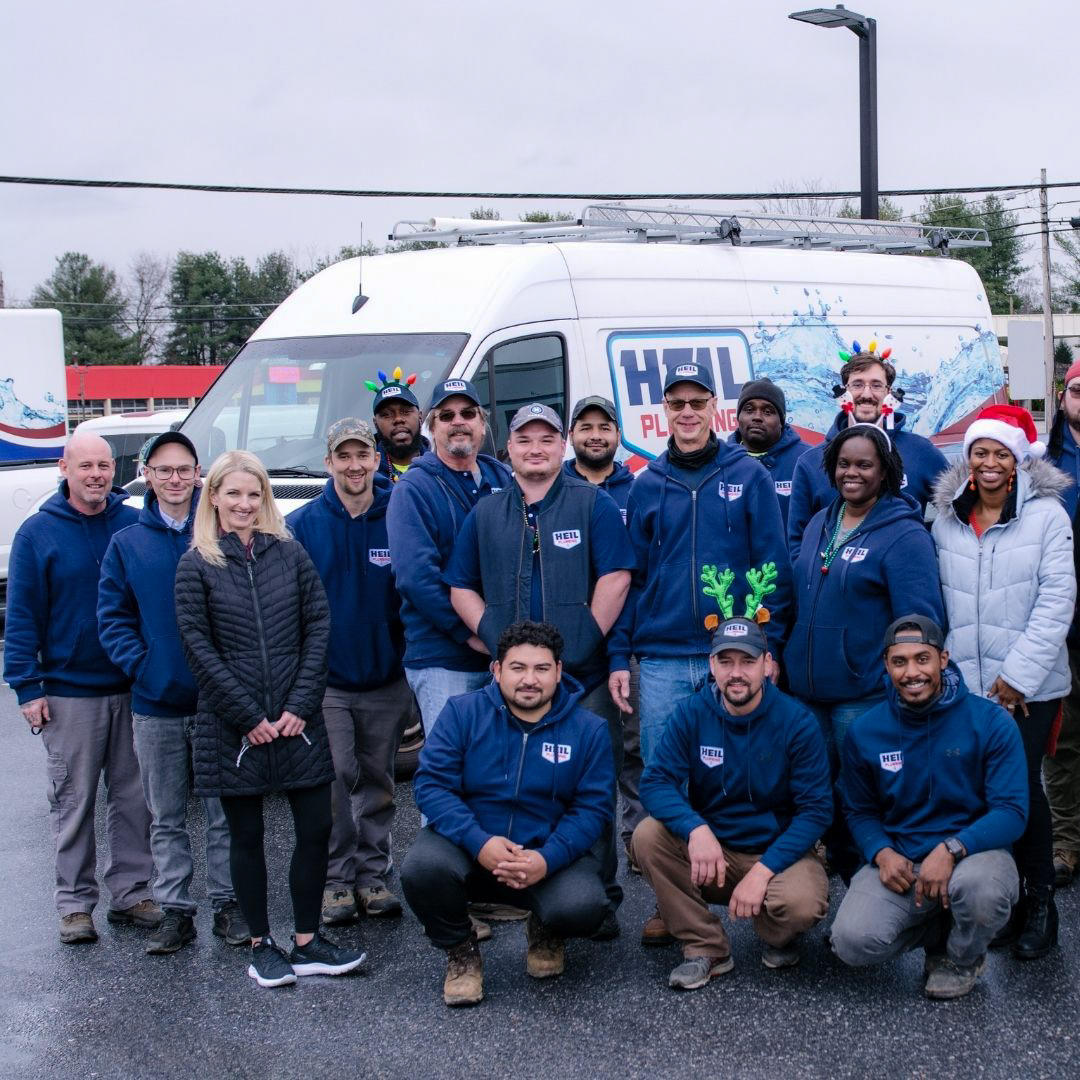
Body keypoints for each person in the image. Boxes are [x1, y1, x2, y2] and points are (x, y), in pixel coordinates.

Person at [174, 450, 364, 988]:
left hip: (297, 722)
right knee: (247, 836)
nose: (244, 503)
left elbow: (317, 630)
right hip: (234, 727)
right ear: (213, 498)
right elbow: (197, 647)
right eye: (233, 493)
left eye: (253, 494)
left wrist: (299, 708)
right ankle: (262, 946)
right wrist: (248, 716)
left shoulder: (290, 554)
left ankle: (307, 941)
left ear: (265, 499)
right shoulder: (197, 564)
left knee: (316, 827)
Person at [447, 401, 634, 935]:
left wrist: (581, 641)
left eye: (546, 439)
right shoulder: (486, 513)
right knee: (512, 783)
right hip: (512, 684)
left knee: (589, 787)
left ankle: (598, 899)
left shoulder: (591, 504)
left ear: (562, 445)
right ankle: (510, 889)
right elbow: (460, 585)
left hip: (583, 678)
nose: (536, 448)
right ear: (507, 449)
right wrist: (496, 643)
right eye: (525, 440)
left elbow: (617, 575)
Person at [401, 621, 614, 1007]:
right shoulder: (462, 713)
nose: (529, 679)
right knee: (422, 868)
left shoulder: (589, 729)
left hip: (544, 856)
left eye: (541, 669)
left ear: (559, 672)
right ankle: (461, 951)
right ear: (496, 670)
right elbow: (431, 785)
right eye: (517, 668)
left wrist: (546, 860)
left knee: (585, 906)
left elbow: (592, 808)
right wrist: (479, 843)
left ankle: (546, 928)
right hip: (471, 847)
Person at [931, 405, 1074, 960]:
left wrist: (1016, 677)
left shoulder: (1047, 517)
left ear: (1018, 460)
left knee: (1020, 793)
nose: (989, 463)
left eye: (1000, 454)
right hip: (965, 686)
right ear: (967, 459)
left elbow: (1056, 600)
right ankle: (1006, 903)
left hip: (1029, 688)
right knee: (983, 792)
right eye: (979, 452)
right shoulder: (943, 516)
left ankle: (1041, 904)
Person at [4, 432, 158, 945]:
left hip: (133, 687)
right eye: (85, 466)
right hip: (70, 692)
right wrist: (28, 687)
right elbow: (22, 618)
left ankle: (133, 892)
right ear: (65, 469)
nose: (96, 474)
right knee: (74, 802)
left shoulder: (135, 524)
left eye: (103, 466)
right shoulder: (37, 534)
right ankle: (75, 905)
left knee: (134, 800)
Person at [98, 431, 248, 954]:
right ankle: (177, 911)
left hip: (218, 703)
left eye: (184, 469)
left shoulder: (220, 534)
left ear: (198, 473)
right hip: (155, 703)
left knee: (222, 813)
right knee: (165, 817)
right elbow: (112, 616)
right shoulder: (127, 543)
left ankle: (228, 906)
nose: (175, 479)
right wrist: (143, 667)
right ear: (148, 475)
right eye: (163, 470)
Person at [831, 616, 1028, 1001]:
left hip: (974, 855)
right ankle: (944, 926)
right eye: (899, 661)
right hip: (904, 859)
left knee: (983, 893)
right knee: (851, 942)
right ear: (886, 666)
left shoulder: (989, 722)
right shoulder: (865, 732)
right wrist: (881, 852)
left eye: (923, 659)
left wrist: (951, 848)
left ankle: (961, 958)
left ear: (943, 659)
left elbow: (1012, 811)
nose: (912, 672)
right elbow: (858, 809)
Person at [632, 618, 831, 989]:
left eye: (747, 661)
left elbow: (816, 810)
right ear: (712, 665)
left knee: (800, 904)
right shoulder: (692, 713)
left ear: (767, 665)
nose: (736, 673)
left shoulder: (797, 722)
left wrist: (764, 871)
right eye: (726, 662)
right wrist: (696, 829)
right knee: (647, 835)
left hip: (775, 851)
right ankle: (706, 946)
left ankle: (776, 932)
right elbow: (656, 781)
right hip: (713, 853)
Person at [287, 419, 412, 926]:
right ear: (329, 463)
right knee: (336, 779)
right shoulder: (303, 525)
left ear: (376, 459)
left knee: (380, 781)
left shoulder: (398, 516)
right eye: (345, 456)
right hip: (327, 682)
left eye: (364, 455)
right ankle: (336, 881)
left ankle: (371, 875)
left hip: (386, 677)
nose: (355, 465)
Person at [386, 379, 511, 740]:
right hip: (444, 658)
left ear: (482, 423)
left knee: (502, 769)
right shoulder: (414, 488)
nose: (458, 421)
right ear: (432, 426)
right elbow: (415, 577)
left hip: (503, 656)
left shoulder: (503, 477)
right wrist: (468, 634)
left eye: (468, 413)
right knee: (451, 769)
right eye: (447, 415)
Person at [564, 394, 645, 866]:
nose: (595, 435)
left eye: (605, 427)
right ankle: (590, 858)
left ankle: (639, 843)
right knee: (588, 758)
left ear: (618, 435)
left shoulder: (638, 491)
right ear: (571, 435)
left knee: (635, 749)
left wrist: (622, 644)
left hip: (627, 643)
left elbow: (638, 576)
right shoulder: (555, 491)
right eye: (586, 426)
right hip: (573, 650)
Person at [787, 341, 947, 558]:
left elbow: (958, 514)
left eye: (876, 385)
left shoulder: (921, 452)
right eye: (857, 384)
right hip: (836, 585)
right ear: (844, 391)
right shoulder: (811, 462)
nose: (867, 394)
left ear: (890, 393)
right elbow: (797, 541)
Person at [1044, 359, 1080, 887]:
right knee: (1065, 739)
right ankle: (1067, 842)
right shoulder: (1041, 461)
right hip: (1063, 623)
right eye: (1077, 389)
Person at [727, 378, 811, 527]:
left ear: (782, 421)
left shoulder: (807, 460)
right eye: (749, 410)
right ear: (738, 417)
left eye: (767, 411)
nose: (757, 417)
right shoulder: (721, 461)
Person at [367, 368, 429, 484]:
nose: (398, 419)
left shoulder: (442, 465)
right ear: (375, 423)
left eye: (405, 412)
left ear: (420, 416)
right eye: (387, 415)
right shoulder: (362, 473)